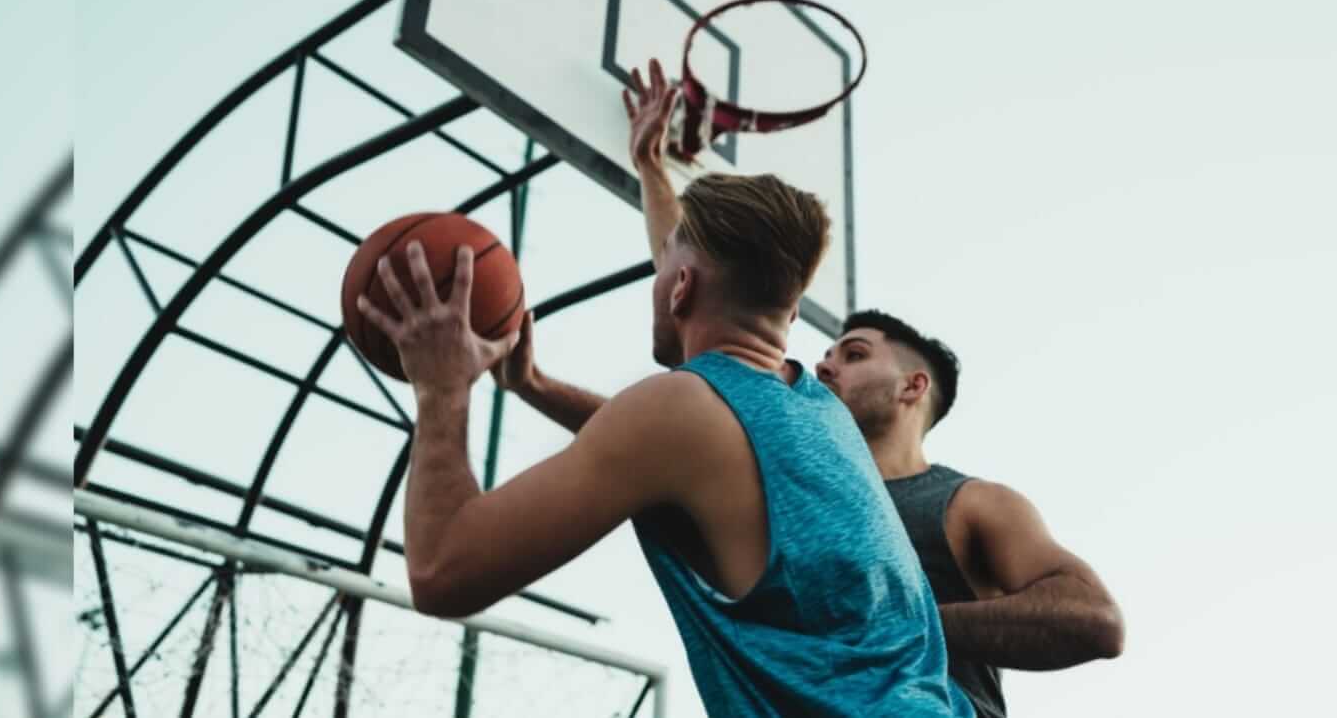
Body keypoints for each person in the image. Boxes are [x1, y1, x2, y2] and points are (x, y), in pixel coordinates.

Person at [356, 59, 974, 716]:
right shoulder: (818, 410)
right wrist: (650, 167)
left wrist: (443, 385)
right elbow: (691, 289)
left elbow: (442, 572)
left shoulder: (679, 414)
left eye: (667, 269)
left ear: (680, 289)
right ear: (789, 309)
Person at [815, 312, 1125, 718]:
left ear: (912, 386)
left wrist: (901, 626)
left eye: (854, 355)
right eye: (827, 356)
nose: (823, 367)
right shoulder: (801, 503)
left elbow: (1095, 619)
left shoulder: (968, 502)